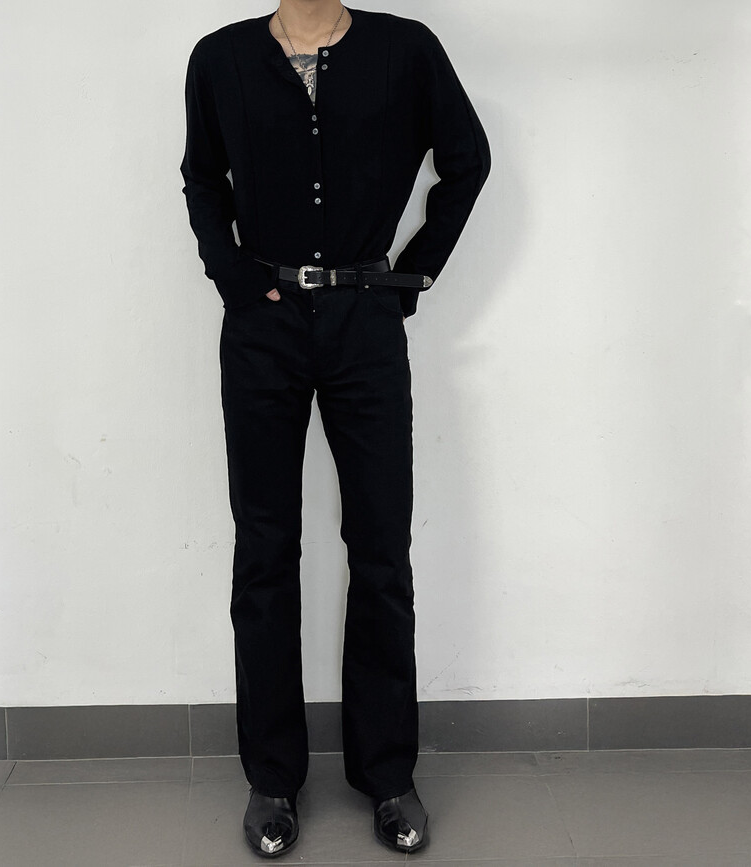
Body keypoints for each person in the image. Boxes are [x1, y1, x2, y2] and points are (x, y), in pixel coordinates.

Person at [181, 0, 490, 857]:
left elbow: (468, 159)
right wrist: (233, 278)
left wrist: (413, 272)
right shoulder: (220, 58)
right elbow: (202, 179)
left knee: (382, 550)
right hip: (262, 329)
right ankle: (272, 777)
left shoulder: (404, 50)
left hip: (365, 321)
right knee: (265, 550)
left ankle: (388, 773)